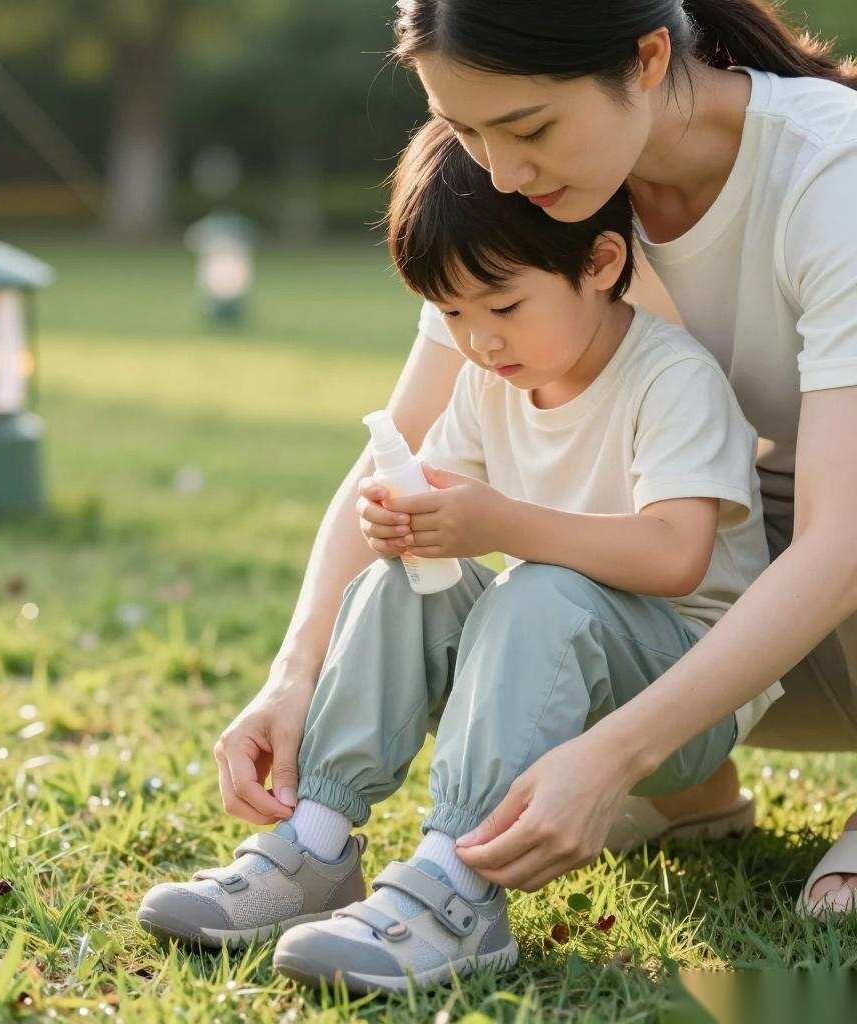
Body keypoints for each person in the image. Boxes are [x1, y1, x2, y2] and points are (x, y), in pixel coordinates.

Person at [209, 1, 857, 920]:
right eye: (465, 131)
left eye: (527, 130)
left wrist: (611, 757)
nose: (502, 172)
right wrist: (294, 674)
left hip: (824, 605)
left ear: (644, 58)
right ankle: (688, 798)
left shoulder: (831, 173)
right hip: (733, 624)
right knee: (519, 591)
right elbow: (396, 449)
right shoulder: (528, 196)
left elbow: (840, 545)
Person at [138, 117, 776, 993]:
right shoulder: (488, 383)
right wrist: (410, 524)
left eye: (505, 307)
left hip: (679, 699)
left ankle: (455, 887)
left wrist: (500, 522)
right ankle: (317, 839)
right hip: (553, 674)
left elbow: (678, 556)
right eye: (450, 314)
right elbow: (451, 524)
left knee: (541, 589)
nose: (480, 342)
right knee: (407, 580)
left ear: (600, 264)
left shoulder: (671, 379)